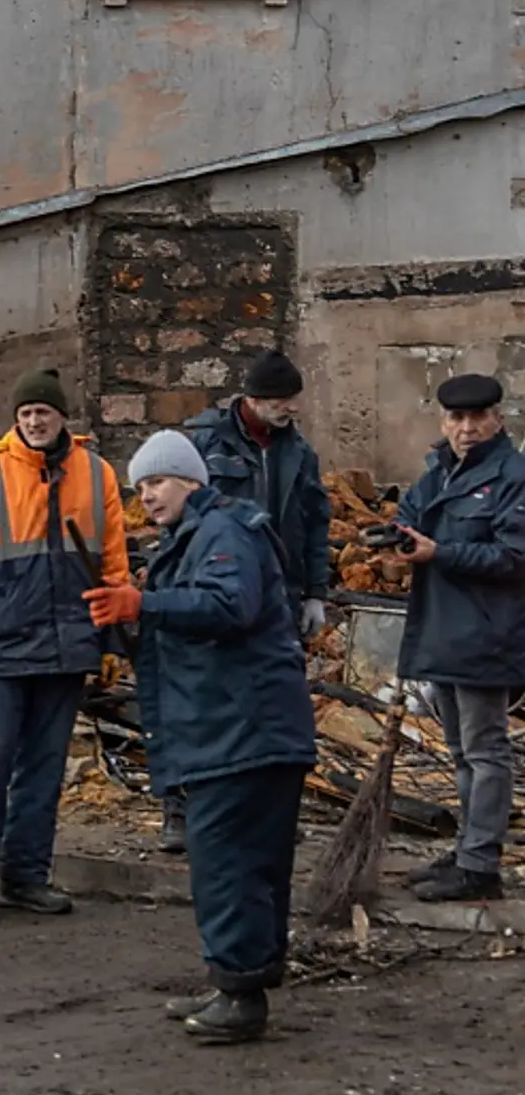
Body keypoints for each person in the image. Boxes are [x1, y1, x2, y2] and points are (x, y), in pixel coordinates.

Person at [84, 430, 314, 1044]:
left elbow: (228, 607)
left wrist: (145, 605)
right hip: (238, 728)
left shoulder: (223, 533)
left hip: (242, 730)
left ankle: (241, 995)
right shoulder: (195, 536)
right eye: (140, 487)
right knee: (246, 864)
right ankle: (237, 979)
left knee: (227, 863)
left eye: (157, 482)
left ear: (190, 481)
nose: (148, 497)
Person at [0, 368, 130, 922]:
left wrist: (112, 641)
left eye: (42, 412)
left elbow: (114, 565)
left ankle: (25, 877)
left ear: (61, 415)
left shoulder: (96, 475)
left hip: (68, 645)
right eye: (25, 414)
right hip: (1, 647)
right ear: (14, 420)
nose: (34, 421)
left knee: (44, 771)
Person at [158, 349, 331, 853]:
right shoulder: (203, 442)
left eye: (294, 400)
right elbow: (172, 519)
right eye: (282, 400)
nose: (291, 409)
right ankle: (180, 811)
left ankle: (263, 812)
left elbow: (314, 520)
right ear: (253, 399)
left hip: (278, 594)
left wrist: (316, 593)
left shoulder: (297, 451)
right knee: (199, 699)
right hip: (213, 585)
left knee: (268, 705)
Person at [388, 373, 525, 903]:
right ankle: (469, 849)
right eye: (456, 419)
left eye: (476, 418)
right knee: (461, 751)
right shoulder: (438, 472)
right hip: (443, 630)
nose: (466, 429)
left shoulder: (513, 475)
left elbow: (514, 557)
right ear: (444, 422)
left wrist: (438, 552)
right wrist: (394, 538)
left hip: (487, 634)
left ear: (498, 419)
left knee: (486, 751)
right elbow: (411, 517)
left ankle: (480, 866)